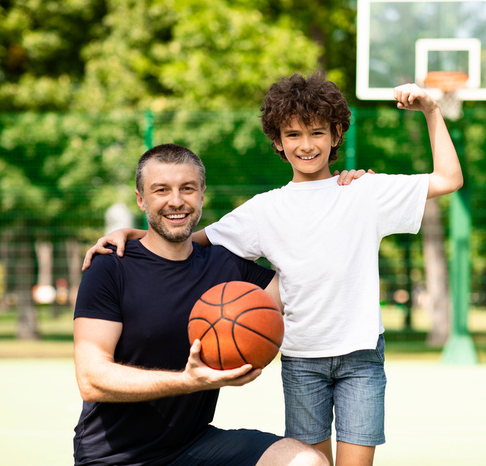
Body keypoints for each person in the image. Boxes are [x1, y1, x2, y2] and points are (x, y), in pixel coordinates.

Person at [83, 71, 463, 466]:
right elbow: (188, 238)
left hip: (361, 356)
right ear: (278, 142)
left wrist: (432, 110)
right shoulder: (263, 210)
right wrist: (132, 232)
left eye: (317, 132)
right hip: (301, 360)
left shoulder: (365, 192)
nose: (306, 144)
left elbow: (449, 179)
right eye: (293, 135)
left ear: (336, 135)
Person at [73, 143, 329, 466]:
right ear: (140, 199)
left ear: (202, 195)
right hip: (114, 458)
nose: (176, 200)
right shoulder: (111, 267)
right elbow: (91, 378)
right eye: (161, 190)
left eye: (187, 188)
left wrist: (339, 189)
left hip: (194, 447)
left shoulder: (226, 265)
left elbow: (300, 287)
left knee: (306, 462)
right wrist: (187, 381)